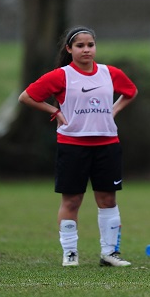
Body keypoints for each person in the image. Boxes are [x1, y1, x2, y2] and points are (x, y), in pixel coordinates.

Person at [18, 26, 138, 267]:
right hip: (73, 146)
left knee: (107, 200)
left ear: (95, 47)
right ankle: (70, 253)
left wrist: (113, 110)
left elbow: (131, 91)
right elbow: (27, 96)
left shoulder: (109, 73)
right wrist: (54, 111)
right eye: (80, 46)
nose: (86, 50)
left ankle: (109, 253)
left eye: (90, 45)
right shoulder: (61, 75)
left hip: (107, 144)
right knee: (72, 201)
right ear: (69, 49)